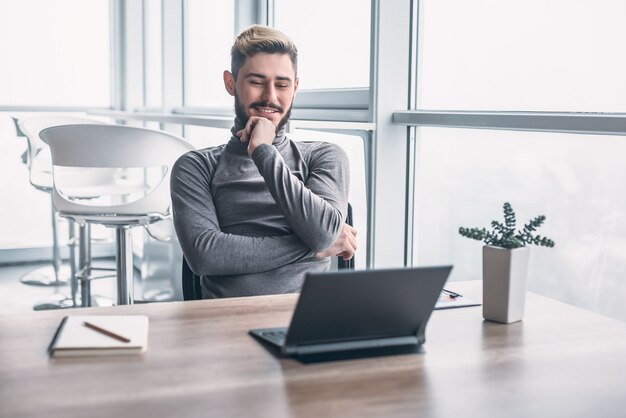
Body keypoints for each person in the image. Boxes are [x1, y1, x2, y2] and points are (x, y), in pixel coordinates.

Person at [170, 25, 357, 298]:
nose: (270, 96)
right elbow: (205, 256)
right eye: (257, 82)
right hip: (226, 323)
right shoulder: (196, 167)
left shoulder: (323, 156)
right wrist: (312, 248)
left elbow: (321, 233)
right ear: (231, 83)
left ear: (295, 88)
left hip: (309, 319)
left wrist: (264, 152)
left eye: (281, 84)